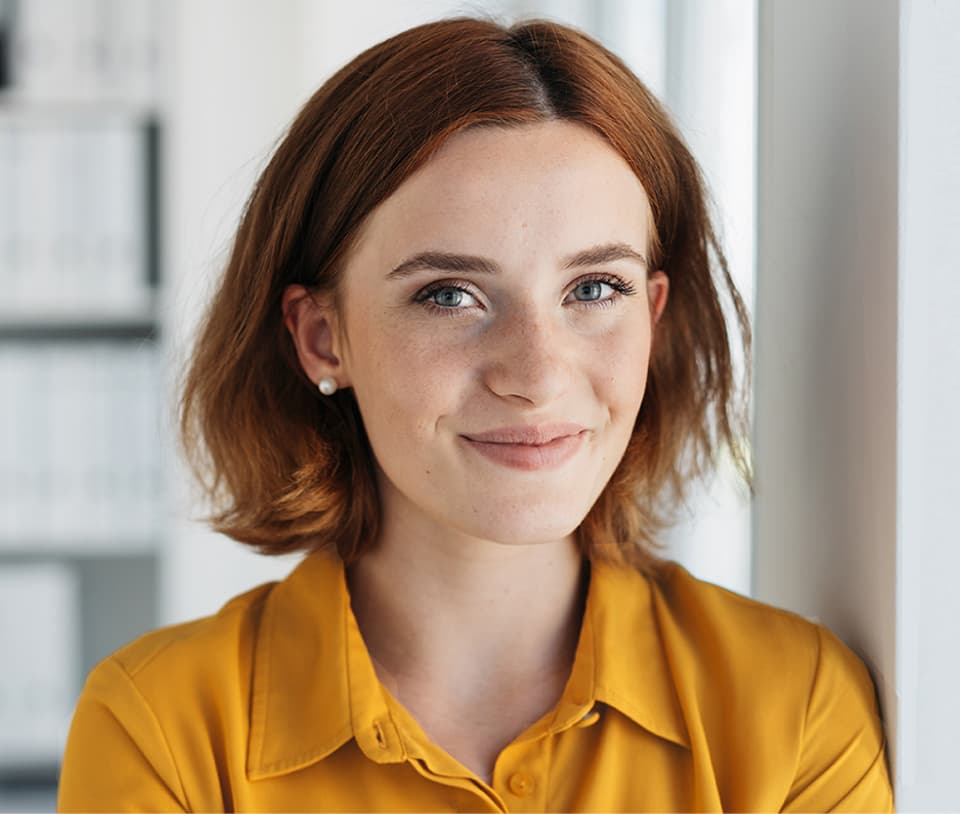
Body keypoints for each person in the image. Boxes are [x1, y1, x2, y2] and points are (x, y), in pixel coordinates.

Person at [57, 16, 894, 813]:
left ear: (655, 316)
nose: (535, 374)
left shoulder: (797, 705)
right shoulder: (160, 728)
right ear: (322, 339)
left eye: (595, 288)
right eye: (449, 295)